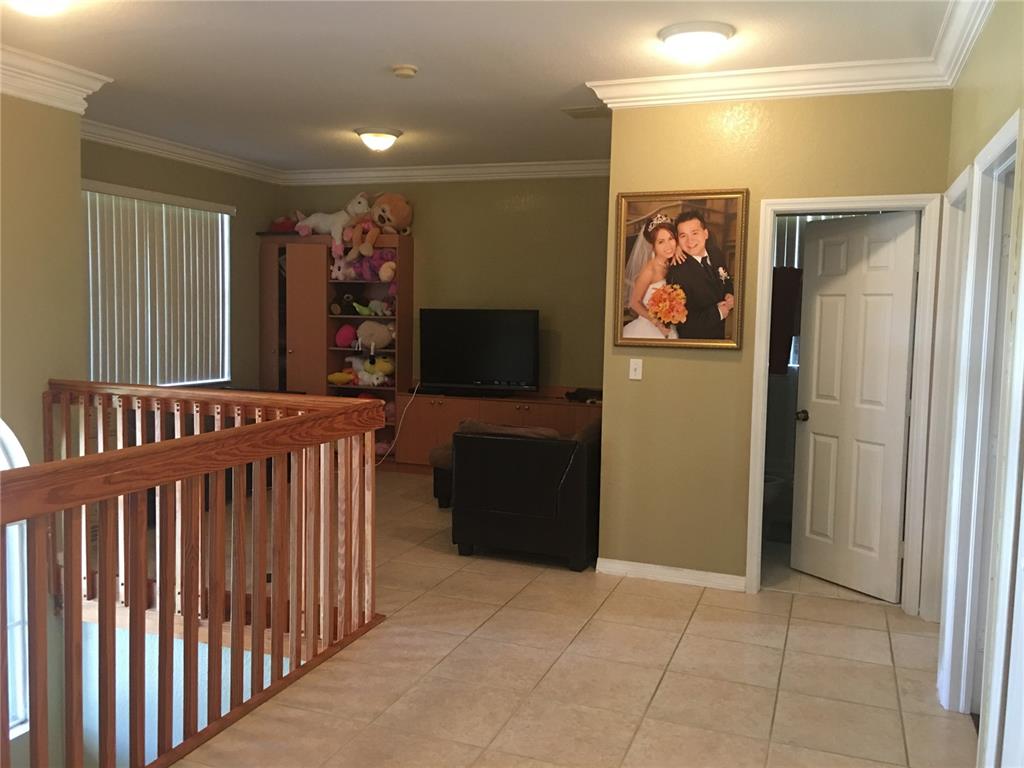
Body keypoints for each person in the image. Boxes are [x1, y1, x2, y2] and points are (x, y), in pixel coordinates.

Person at [666, 209, 734, 339]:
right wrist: (718, 313)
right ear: (678, 239)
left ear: (705, 234)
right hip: (698, 342)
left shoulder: (716, 253)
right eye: (683, 236)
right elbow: (682, 322)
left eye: (694, 233)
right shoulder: (676, 272)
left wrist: (729, 294)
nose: (690, 241)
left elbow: (727, 281)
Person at [622, 214, 684, 339]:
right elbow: (634, 303)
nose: (668, 246)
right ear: (653, 246)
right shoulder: (649, 270)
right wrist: (657, 323)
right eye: (661, 242)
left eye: (671, 239)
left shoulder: (671, 261)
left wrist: (679, 247)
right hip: (649, 327)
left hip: (669, 325)